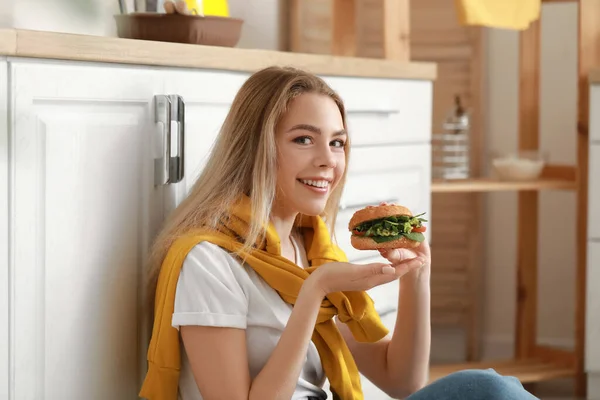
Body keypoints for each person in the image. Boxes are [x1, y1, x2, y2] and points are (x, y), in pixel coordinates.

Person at [139, 66, 539, 400]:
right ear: (255, 147)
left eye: (337, 143)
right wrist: (313, 292)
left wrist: (418, 276)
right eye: (303, 139)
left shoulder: (312, 251)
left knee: (490, 388)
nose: (327, 160)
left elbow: (401, 380)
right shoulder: (209, 261)